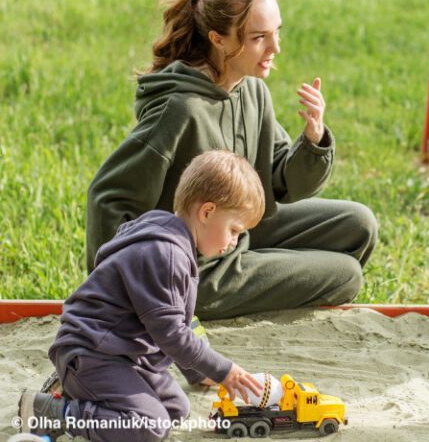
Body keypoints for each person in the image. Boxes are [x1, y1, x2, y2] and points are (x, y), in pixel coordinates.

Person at [86, 0, 378, 322]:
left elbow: (280, 181)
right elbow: (108, 196)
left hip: (240, 230)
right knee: (346, 274)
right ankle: (220, 294)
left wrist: (313, 139)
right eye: (259, 38)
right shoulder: (180, 110)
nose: (275, 48)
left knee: (360, 225)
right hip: (198, 272)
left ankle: (263, 270)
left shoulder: (252, 90)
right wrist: (116, 295)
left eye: (276, 33)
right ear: (218, 39)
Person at [18, 150, 267, 442]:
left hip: (125, 354)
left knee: (176, 409)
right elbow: (172, 334)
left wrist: (198, 373)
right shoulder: (168, 254)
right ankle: (54, 412)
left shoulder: (166, 234)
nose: (234, 242)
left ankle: (80, 389)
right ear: (207, 212)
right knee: (149, 426)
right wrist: (224, 371)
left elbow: (175, 320)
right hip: (93, 352)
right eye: (234, 230)